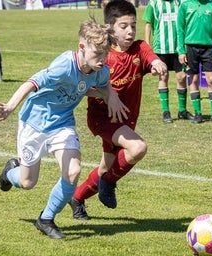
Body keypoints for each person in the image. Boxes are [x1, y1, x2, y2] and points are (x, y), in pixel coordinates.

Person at [0, 19, 127, 239]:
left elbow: (99, 85)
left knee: (73, 171)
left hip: (62, 123)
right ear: (81, 47)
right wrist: (10, 106)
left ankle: (46, 219)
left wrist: (110, 95)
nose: (102, 60)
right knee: (27, 182)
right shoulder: (64, 64)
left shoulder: (100, 69)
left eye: (105, 54)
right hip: (34, 123)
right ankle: (9, 173)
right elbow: (32, 83)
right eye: (97, 54)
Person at [68, 0, 167, 220]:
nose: (130, 31)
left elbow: (151, 59)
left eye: (133, 25)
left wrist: (158, 64)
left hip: (125, 121)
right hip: (102, 119)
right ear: (110, 27)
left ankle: (76, 198)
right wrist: (107, 94)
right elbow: (81, 87)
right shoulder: (103, 57)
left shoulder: (140, 48)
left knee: (107, 167)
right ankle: (109, 183)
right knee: (137, 148)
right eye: (124, 26)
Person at [142, 0, 194, 123]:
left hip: (178, 48)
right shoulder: (154, 3)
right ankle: (166, 112)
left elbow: (187, 23)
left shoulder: (180, 2)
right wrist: (148, 47)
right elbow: (148, 25)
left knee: (181, 77)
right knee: (163, 76)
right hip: (161, 48)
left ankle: (182, 111)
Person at [177, 0, 212, 124]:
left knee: (211, 79)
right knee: (193, 80)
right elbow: (180, 29)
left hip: (208, 49)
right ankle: (198, 114)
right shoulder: (185, 5)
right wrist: (182, 51)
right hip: (190, 48)